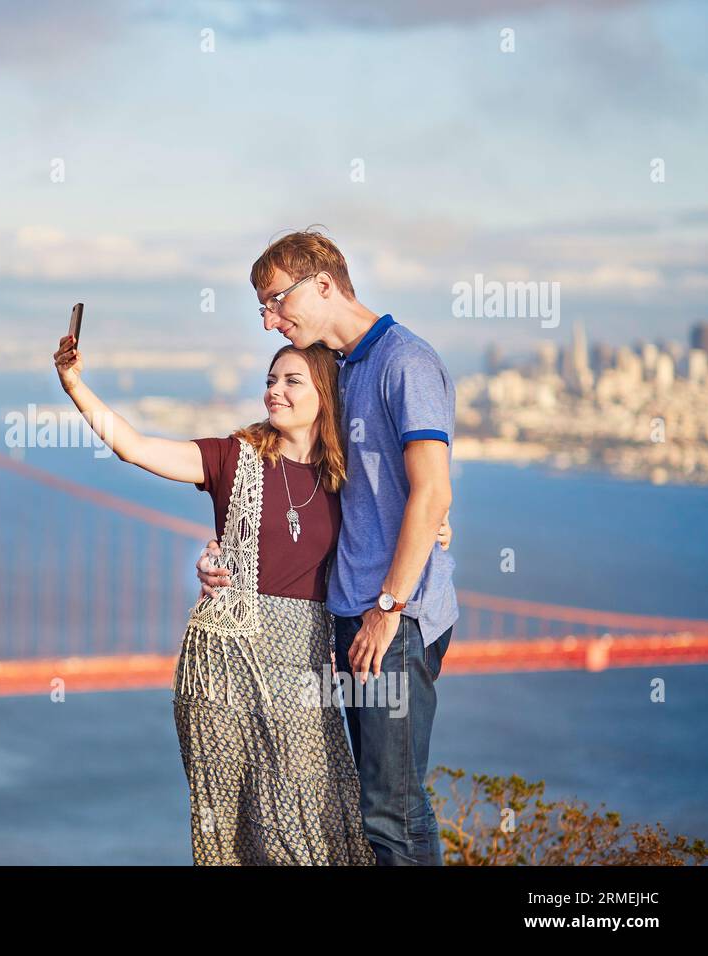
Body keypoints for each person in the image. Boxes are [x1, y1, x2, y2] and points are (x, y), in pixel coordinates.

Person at [53, 332, 450, 865]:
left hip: (301, 662)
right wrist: (74, 384)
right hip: (221, 662)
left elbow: (407, 508)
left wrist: (437, 527)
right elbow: (134, 447)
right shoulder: (230, 458)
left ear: (324, 395)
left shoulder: (344, 477)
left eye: (291, 381)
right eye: (270, 381)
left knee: (321, 817)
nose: (275, 392)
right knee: (237, 828)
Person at [197, 229, 458, 866]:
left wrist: (388, 606)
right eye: (261, 308)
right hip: (349, 613)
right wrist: (224, 550)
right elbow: (329, 489)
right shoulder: (337, 371)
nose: (269, 321)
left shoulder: (406, 363)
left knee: (387, 813)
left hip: (393, 618)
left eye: (276, 301)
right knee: (382, 804)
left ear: (323, 284)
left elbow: (430, 495)